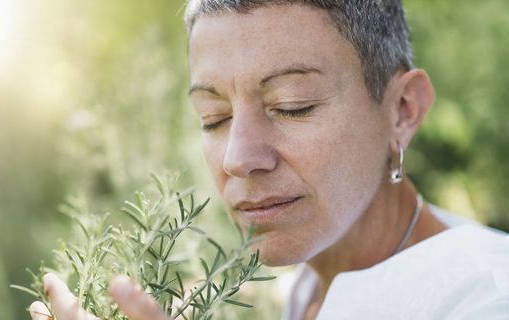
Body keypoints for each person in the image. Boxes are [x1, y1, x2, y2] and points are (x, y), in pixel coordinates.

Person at [29, 1, 509, 319]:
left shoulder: (485, 297)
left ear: (402, 110)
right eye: (213, 117)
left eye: (291, 105)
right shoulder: (302, 287)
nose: (238, 157)